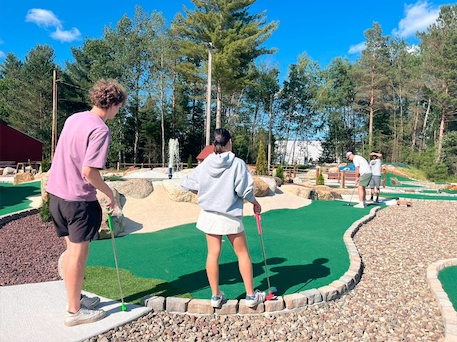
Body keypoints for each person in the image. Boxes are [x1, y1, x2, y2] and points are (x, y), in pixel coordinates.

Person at [46, 79, 127, 326]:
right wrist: (109, 193)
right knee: (78, 257)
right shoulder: (101, 129)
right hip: (77, 202)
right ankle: (74, 311)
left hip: (56, 197)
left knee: (72, 252)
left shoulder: (74, 118)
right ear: (113, 104)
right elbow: (89, 171)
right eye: (119, 106)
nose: (119, 111)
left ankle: (76, 298)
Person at [180, 128, 266, 308]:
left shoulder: (205, 164)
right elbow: (245, 191)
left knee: (213, 254)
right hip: (230, 217)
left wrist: (202, 192)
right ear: (230, 142)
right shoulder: (238, 163)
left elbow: (185, 182)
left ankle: (215, 296)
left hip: (209, 216)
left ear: (214, 144)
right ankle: (251, 297)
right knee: (242, 254)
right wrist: (255, 203)